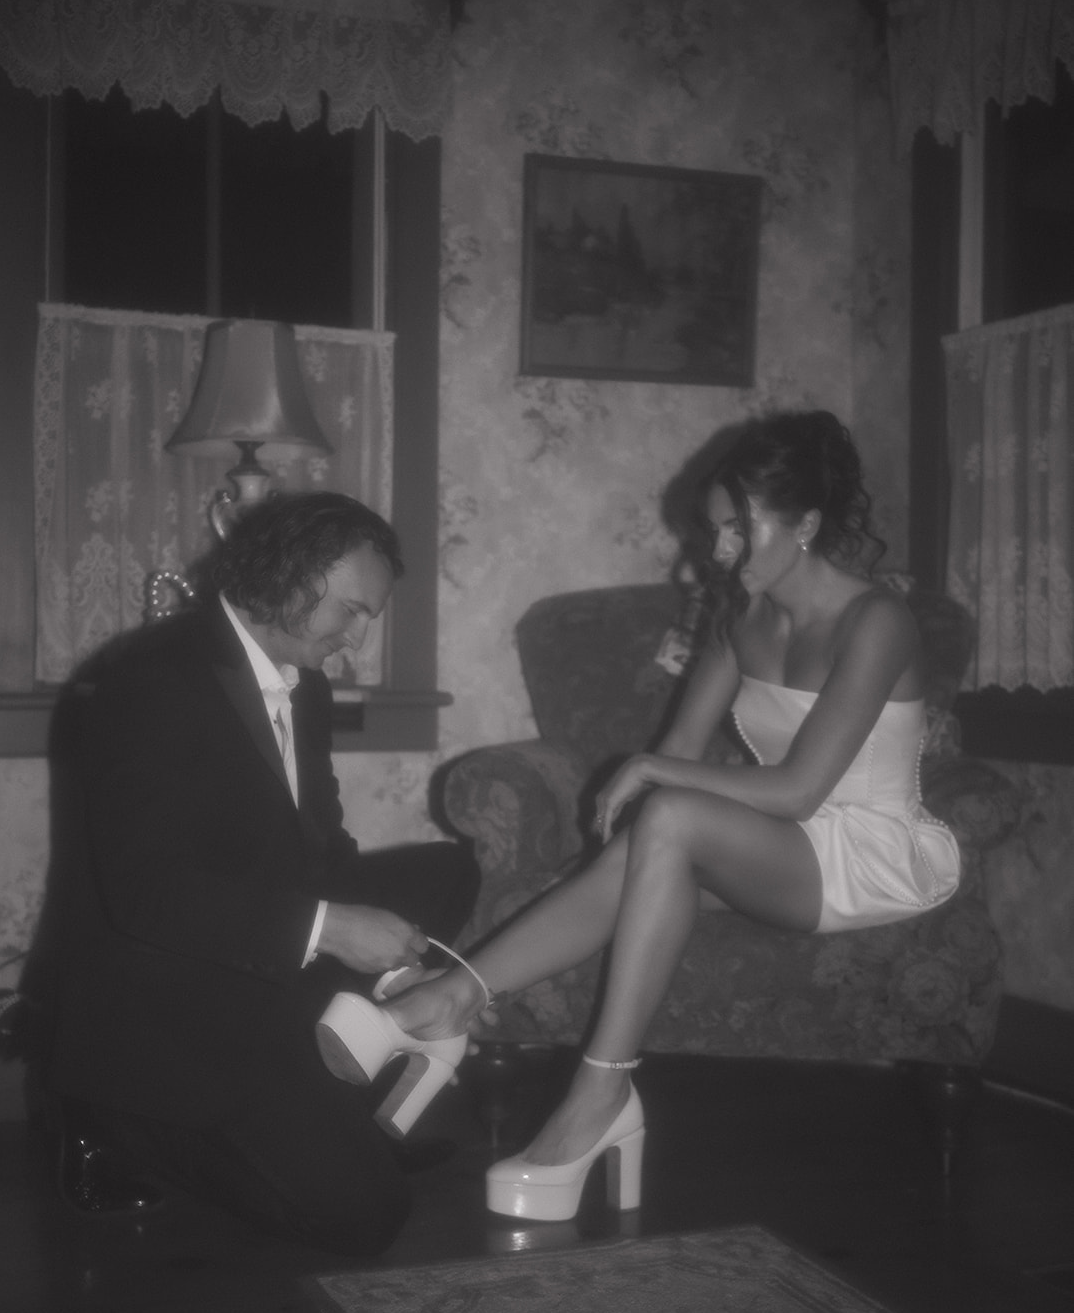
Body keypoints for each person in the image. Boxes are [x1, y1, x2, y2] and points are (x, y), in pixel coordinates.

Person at [315, 411, 961, 1222]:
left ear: (805, 524)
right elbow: (684, 756)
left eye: (738, 530)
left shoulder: (878, 621)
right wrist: (634, 818)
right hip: (784, 855)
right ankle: (448, 1002)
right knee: (654, 838)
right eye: (713, 529)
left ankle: (595, 1089)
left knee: (670, 819)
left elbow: (797, 790)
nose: (718, 551)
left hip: (870, 855)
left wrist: (652, 774)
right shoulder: (738, 622)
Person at [24, 492, 478, 1254]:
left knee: (450, 874)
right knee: (365, 1216)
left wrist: (398, 962)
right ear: (290, 576)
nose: (359, 641)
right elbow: (145, 897)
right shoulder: (149, 680)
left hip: (256, 955)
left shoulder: (307, 687)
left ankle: (332, 1083)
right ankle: (111, 1119)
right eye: (352, 611)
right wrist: (333, 928)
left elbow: (321, 850)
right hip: (160, 985)